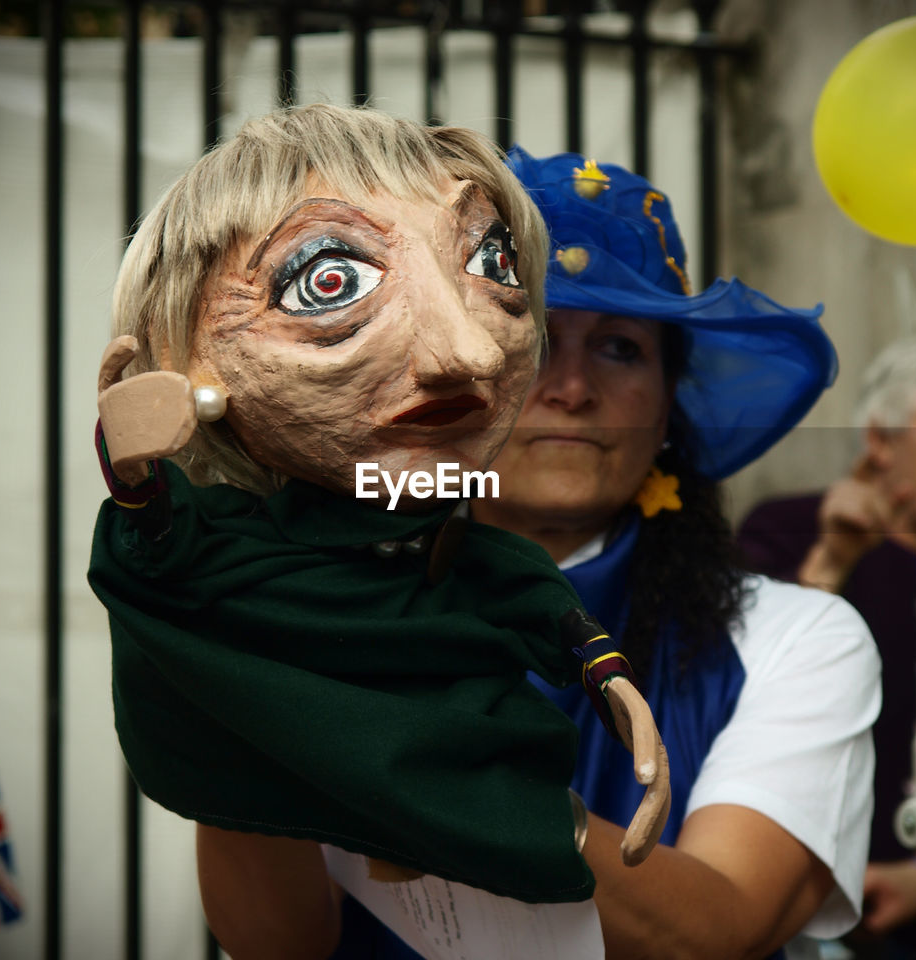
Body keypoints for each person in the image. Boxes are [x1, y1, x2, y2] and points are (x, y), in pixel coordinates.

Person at [85, 104, 673, 960]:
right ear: (188, 353)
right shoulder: (232, 578)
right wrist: (130, 470)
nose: (465, 353)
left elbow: (722, 927)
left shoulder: (774, 636)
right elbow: (278, 939)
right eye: (331, 280)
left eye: (491, 265)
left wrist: (609, 703)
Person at [464, 149, 880, 960]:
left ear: (667, 412)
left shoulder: (797, 640)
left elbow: (716, 928)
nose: (573, 388)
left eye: (619, 347)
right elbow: (275, 938)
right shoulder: (336, 604)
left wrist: (447, 780)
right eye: (535, 338)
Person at [736, 336, 916, 958]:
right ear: (882, 441)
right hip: (784, 921)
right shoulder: (785, 529)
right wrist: (831, 561)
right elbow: (731, 709)